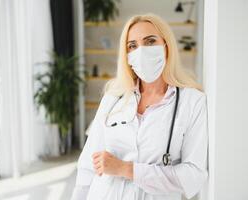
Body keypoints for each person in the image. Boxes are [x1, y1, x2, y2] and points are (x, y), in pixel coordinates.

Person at [70, 13, 208, 200]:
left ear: (166, 47)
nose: (141, 51)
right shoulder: (113, 98)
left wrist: (126, 169)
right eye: (132, 46)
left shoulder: (192, 102)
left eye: (150, 42)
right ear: (127, 56)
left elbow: (193, 175)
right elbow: (87, 167)